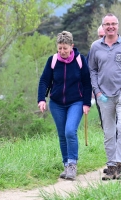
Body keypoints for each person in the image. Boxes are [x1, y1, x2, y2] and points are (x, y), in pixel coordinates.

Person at [88, 13, 121, 180]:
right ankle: (111, 167)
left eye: (113, 24)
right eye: (107, 24)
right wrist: (97, 91)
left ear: (118, 26)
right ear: (103, 27)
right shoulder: (95, 47)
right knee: (109, 132)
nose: (110, 27)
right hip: (104, 97)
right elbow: (92, 70)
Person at [37, 31, 92, 180]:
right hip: (56, 103)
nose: (62, 52)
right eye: (59, 48)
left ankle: (73, 164)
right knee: (62, 135)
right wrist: (41, 99)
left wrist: (87, 103)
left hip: (76, 102)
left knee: (70, 131)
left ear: (72, 46)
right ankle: (66, 165)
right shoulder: (53, 60)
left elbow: (87, 83)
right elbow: (44, 81)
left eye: (65, 48)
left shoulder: (80, 60)